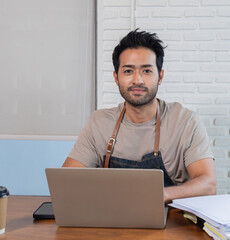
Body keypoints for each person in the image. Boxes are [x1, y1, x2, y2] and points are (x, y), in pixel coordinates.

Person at [62, 29, 216, 203]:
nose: (138, 80)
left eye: (147, 71)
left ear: (160, 76)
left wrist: (160, 195)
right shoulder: (99, 123)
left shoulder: (185, 122)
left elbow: (208, 185)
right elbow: (67, 180)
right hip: (111, 219)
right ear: (116, 77)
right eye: (128, 71)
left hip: (171, 220)